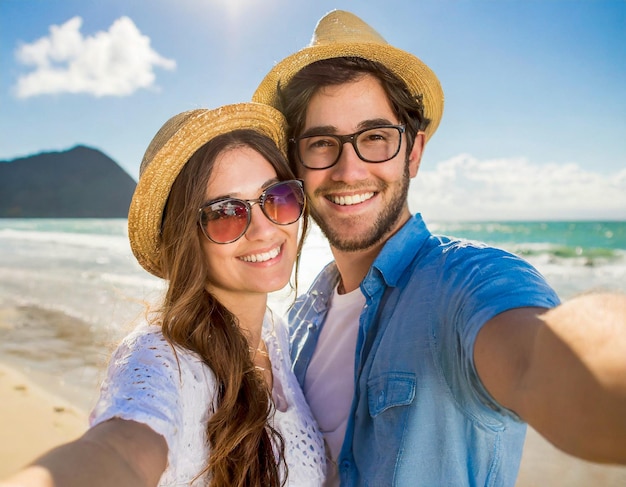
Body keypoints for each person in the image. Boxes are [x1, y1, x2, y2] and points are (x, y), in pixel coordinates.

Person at [252, 10, 626, 486]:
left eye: (375, 138)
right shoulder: (301, 320)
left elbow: (542, 357)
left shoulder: (468, 282)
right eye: (322, 143)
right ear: (295, 166)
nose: (349, 170)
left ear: (414, 153)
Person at [0, 103, 326, 487]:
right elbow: (118, 450)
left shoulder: (276, 334)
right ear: (187, 237)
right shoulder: (163, 360)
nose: (264, 229)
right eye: (225, 213)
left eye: (277, 196)